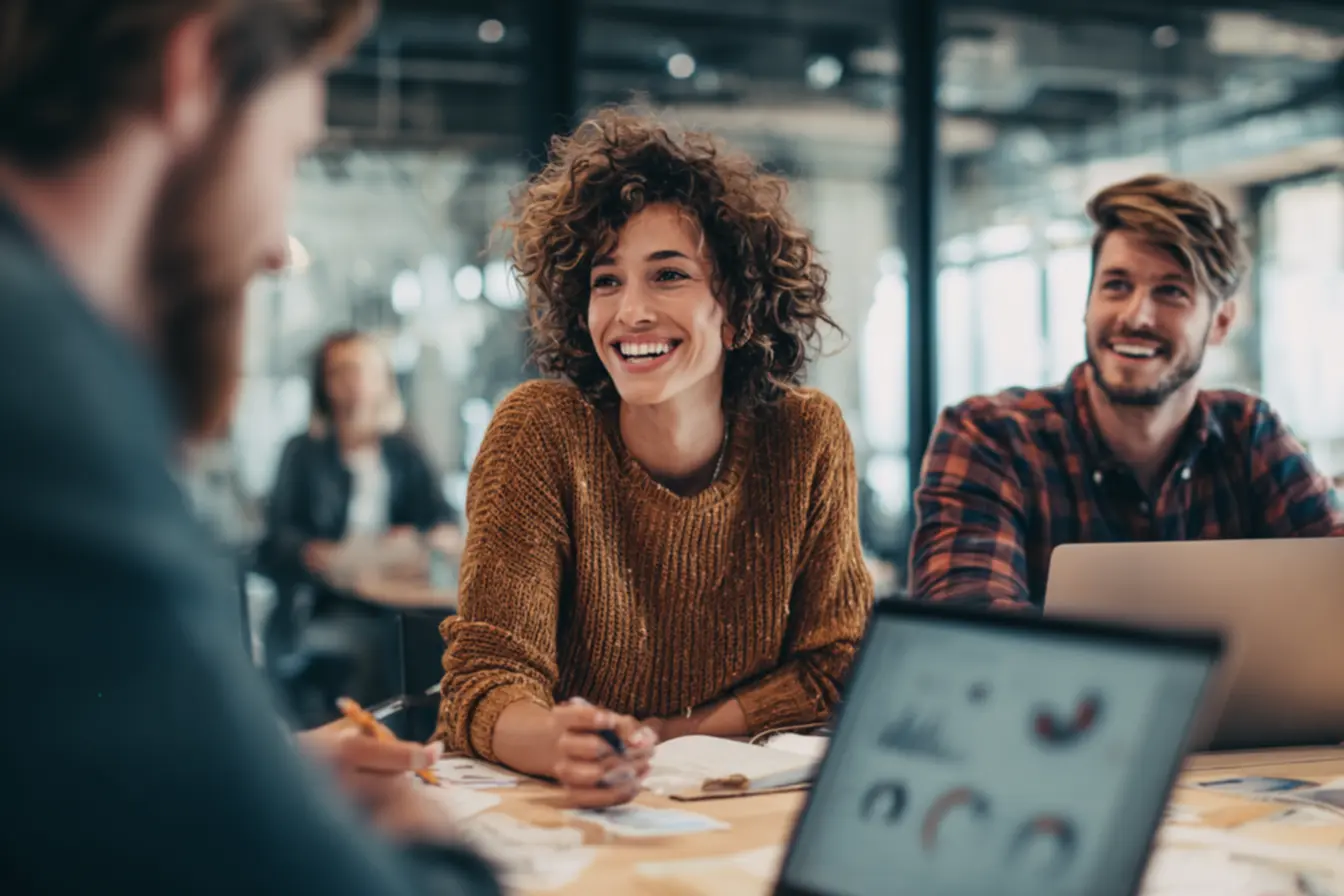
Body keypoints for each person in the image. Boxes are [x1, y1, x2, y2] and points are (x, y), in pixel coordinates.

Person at [0, 2, 497, 893]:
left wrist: (260, 775)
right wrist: (427, 838)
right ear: (196, 74)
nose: (276, 248)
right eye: (290, 154)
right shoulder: (41, 396)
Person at [435, 109, 873, 808]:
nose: (630, 312)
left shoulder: (805, 437)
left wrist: (671, 734)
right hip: (569, 813)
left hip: (737, 810)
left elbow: (838, 666)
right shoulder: (540, 431)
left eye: (668, 275)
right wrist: (564, 745)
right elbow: (485, 682)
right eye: (606, 281)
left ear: (739, 310)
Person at [908, 174, 1342, 610]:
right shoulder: (990, 436)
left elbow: (1335, 581)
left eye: (1171, 291)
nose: (1136, 316)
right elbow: (967, 623)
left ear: (1221, 323)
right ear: (1087, 303)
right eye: (1116, 285)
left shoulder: (1250, 433)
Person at [259, 330, 460, 713]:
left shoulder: (404, 449)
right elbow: (275, 540)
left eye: (363, 370)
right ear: (324, 383)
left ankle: (429, 740)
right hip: (325, 605)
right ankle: (372, 742)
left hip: (395, 599)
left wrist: (425, 537)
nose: (353, 383)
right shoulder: (303, 452)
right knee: (377, 648)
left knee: (442, 639)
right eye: (341, 371)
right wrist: (316, 553)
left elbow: (441, 518)